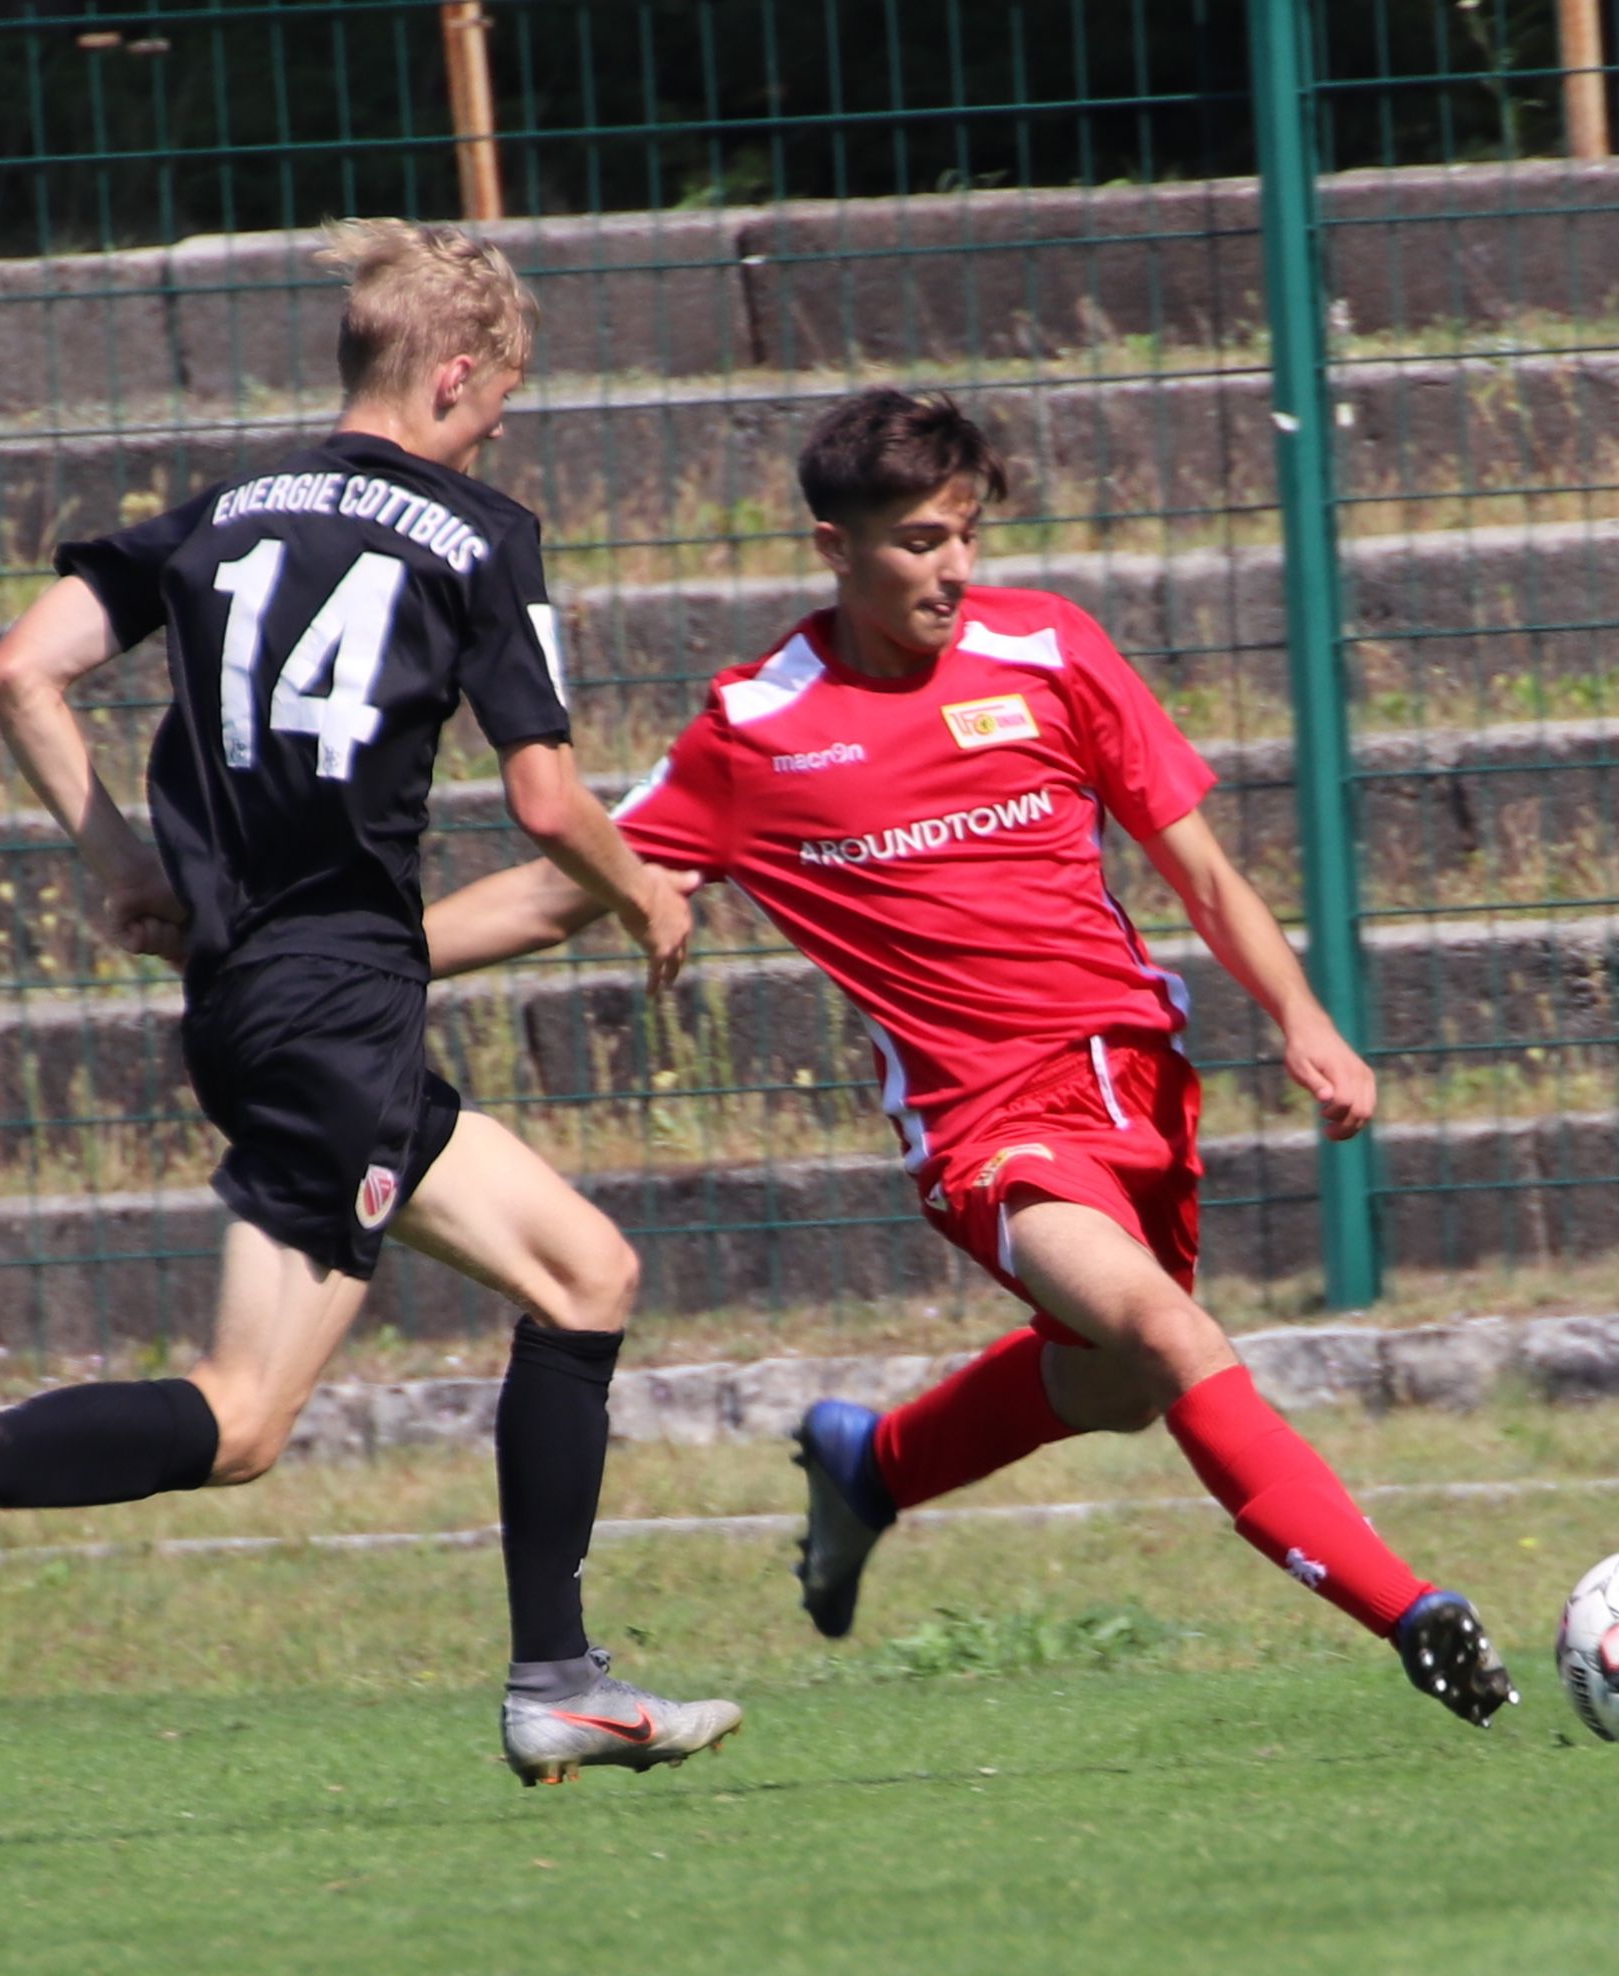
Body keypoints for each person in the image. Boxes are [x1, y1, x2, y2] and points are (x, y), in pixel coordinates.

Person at [0, 220, 744, 1786]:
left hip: (252, 1001)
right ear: (454, 374)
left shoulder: (222, 512)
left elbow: (17, 669)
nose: (498, 433)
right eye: (499, 401)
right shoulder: (479, 534)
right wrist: (648, 894)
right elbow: (546, 802)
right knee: (416, 1342)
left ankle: (554, 1675)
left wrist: (120, 863)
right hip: (340, 1009)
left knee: (430, 1337)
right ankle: (548, 1678)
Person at [420, 388, 1519, 1727]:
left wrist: (1303, 1018)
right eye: (919, 542)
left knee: (1115, 1383)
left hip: (1139, 1087)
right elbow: (558, 893)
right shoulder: (760, 728)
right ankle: (1414, 1615)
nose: (952, 569)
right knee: (1169, 1336)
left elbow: (1201, 870)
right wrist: (360, 961)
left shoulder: (1049, 649)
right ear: (835, 547)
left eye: (965, 536)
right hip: (987, 1125)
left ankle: (872, 1465)